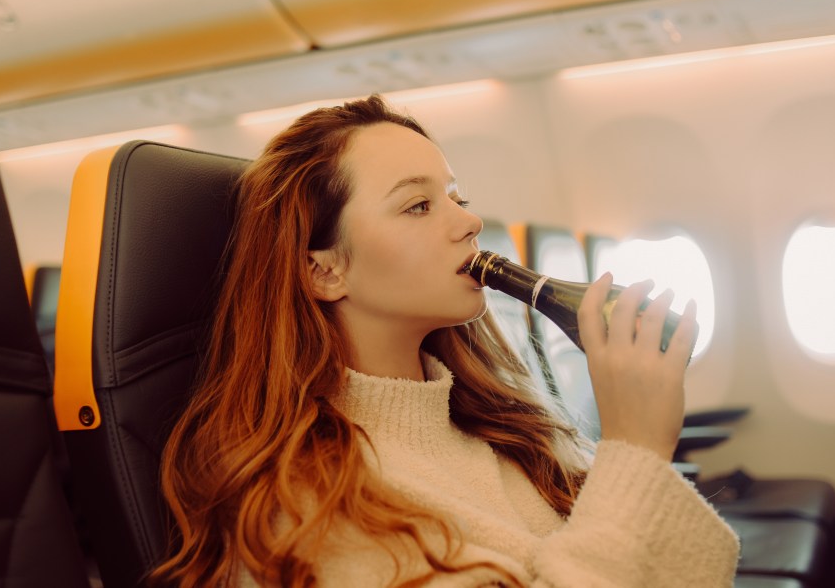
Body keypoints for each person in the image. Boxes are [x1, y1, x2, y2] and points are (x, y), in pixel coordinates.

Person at [151, 95, 739, 587]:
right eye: (418, 205)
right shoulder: (309, 499)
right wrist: (635, 448)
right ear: (324, 271)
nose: (468, 222)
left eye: (457, 198)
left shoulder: (492, 425)